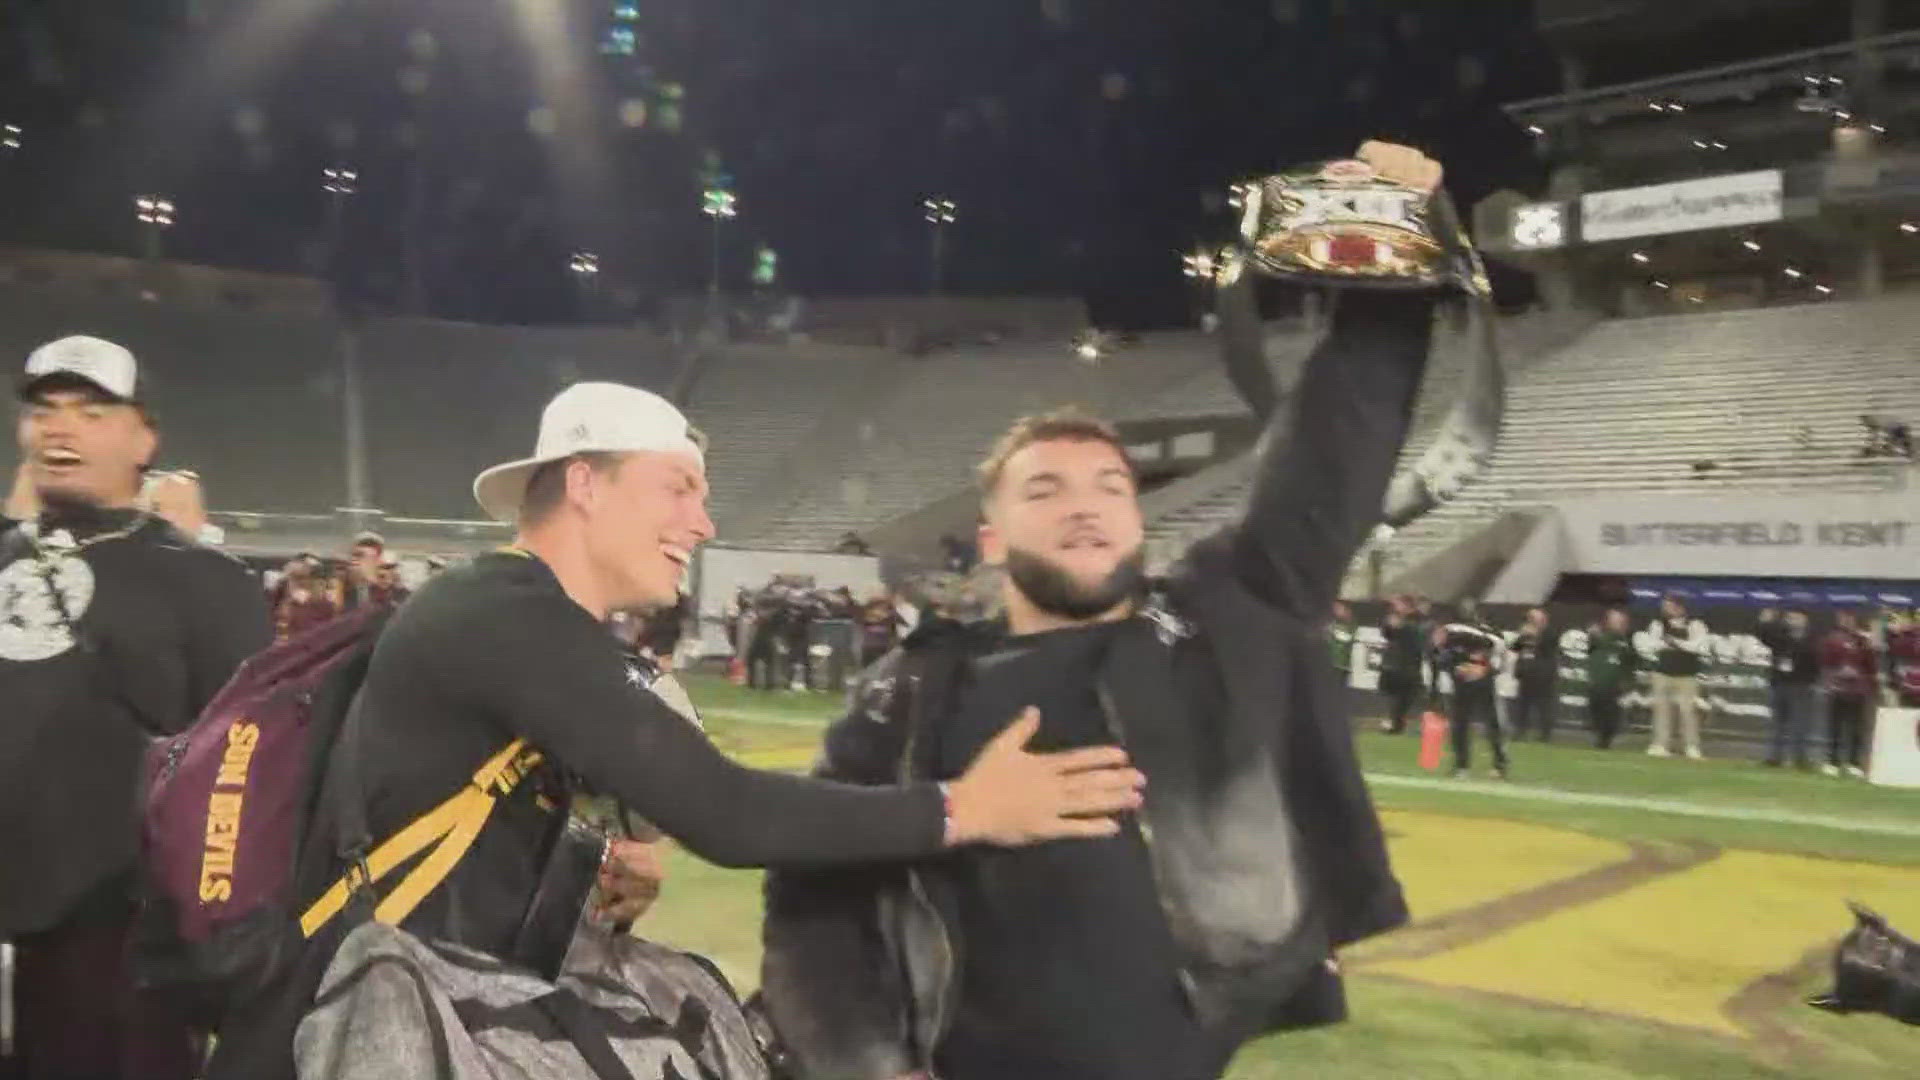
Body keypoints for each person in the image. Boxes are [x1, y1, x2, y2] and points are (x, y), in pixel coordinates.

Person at [210, 381, 1146, 1079]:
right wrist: (964, 808)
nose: (702, 522)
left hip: (419, 1025)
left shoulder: (529, 624)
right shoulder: (500, 611)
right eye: (679, 488)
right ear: (584, 483)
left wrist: (586, 871)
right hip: (349, 1035)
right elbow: (730, 815)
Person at [762, 140, 1441, 1080]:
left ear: (1137, 517)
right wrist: (865, 1067)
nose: (1084, 504)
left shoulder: (1221, 620)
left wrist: (1389, 263)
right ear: (991, 539)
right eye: (1045, 490)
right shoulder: (907, 697)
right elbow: (812, 909)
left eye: (1110, 485)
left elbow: (1339, 440)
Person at [0, 335, 272, 1080]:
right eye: (45, 411)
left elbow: (249, 761)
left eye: (91, 412)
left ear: (144, 437)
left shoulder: (206, 582)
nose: (60, 429)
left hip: (121, 936)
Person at [1436, 600, 1507, 779]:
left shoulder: (1487, 634)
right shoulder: (1452, 634)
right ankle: (1462, 765)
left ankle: (1499, 763)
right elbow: (1442, 658)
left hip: (1482, 681)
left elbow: (1499, 657)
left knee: (1491, 723)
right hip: (1462, 683)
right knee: (1460, 724)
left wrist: (1484, 670)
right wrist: (1457, 668)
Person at [1646, 594, 1709, 759]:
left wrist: (1674, 643)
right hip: (1662, 673)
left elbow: (1698, 647)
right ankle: (1660, 744)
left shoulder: (1695, 625)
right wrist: (1672, 644)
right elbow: (1653, 645)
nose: (1665, 609)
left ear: (1680, 607)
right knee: (1662, 710)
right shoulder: (1658, 624)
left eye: (1669, 606)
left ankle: (1691, 746)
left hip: (1686, 675)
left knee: (1688, 712)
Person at [1756, 608, 1819, 769]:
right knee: (1777, 723)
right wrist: (1765, 622)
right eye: (1789, 618)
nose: (1792, 621)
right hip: (1779, 683)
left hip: (1801, 684)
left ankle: (1800, 757)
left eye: (1796, 618)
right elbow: (1764, 636)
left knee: (1800, 724)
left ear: (1805, 620)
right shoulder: (1780, 636)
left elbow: (1816, 661)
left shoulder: (1812, 639)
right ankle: (1774, 756)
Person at [1819, 609, 1877, 778]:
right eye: (1843, 618)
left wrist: (1861, 675)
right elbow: (1825, 662)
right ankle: (1832, 761)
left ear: (1855, 620)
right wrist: (1836, 674)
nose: (1846, 621)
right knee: (1835, 726)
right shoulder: (1831, 639)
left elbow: (1871, 666)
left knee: (1857, 728)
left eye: (1849, 618)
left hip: (1858, 690)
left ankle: (1854, 762)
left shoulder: (1863, 640)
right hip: (1838, 688)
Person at [1586, 608, 1638, 750]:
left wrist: (1628, 683)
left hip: (1615, 683)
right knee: (1596, 710)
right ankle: (1599, 735)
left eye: (1619, 620)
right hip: (1597, 680)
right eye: (1613, 619)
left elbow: (1630, 661)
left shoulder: (1625, 640)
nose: (1616, 623)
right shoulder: (1597, 637)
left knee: (1611, 713)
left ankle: (1605, 739)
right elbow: (1591, 650)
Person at [1377, 594, 1426, 734]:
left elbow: (1411, 635)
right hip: (1395, 665)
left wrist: (1398, 623)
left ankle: (1397, 723)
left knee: (1406, 696)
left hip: (1408, 666)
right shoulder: (1396, 620)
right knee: (1396, 696)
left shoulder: (1415, 621)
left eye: (1399, 605)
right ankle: (1395, 723)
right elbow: (1387, 632)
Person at [1510, 607, 1559, 742]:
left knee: (1544, 706)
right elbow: (1514, 648)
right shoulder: (1525, 633)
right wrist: (1522, 636)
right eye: (1529, 618)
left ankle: (1545, 734)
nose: (1531, 621)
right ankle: (1520, 731)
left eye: (1534, 618)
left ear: (1543, 619)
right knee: (1522, 706)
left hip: (1543, 675)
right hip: (1526, 674)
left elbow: (1549, 647)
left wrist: (1535, 634)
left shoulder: (1549, 633)